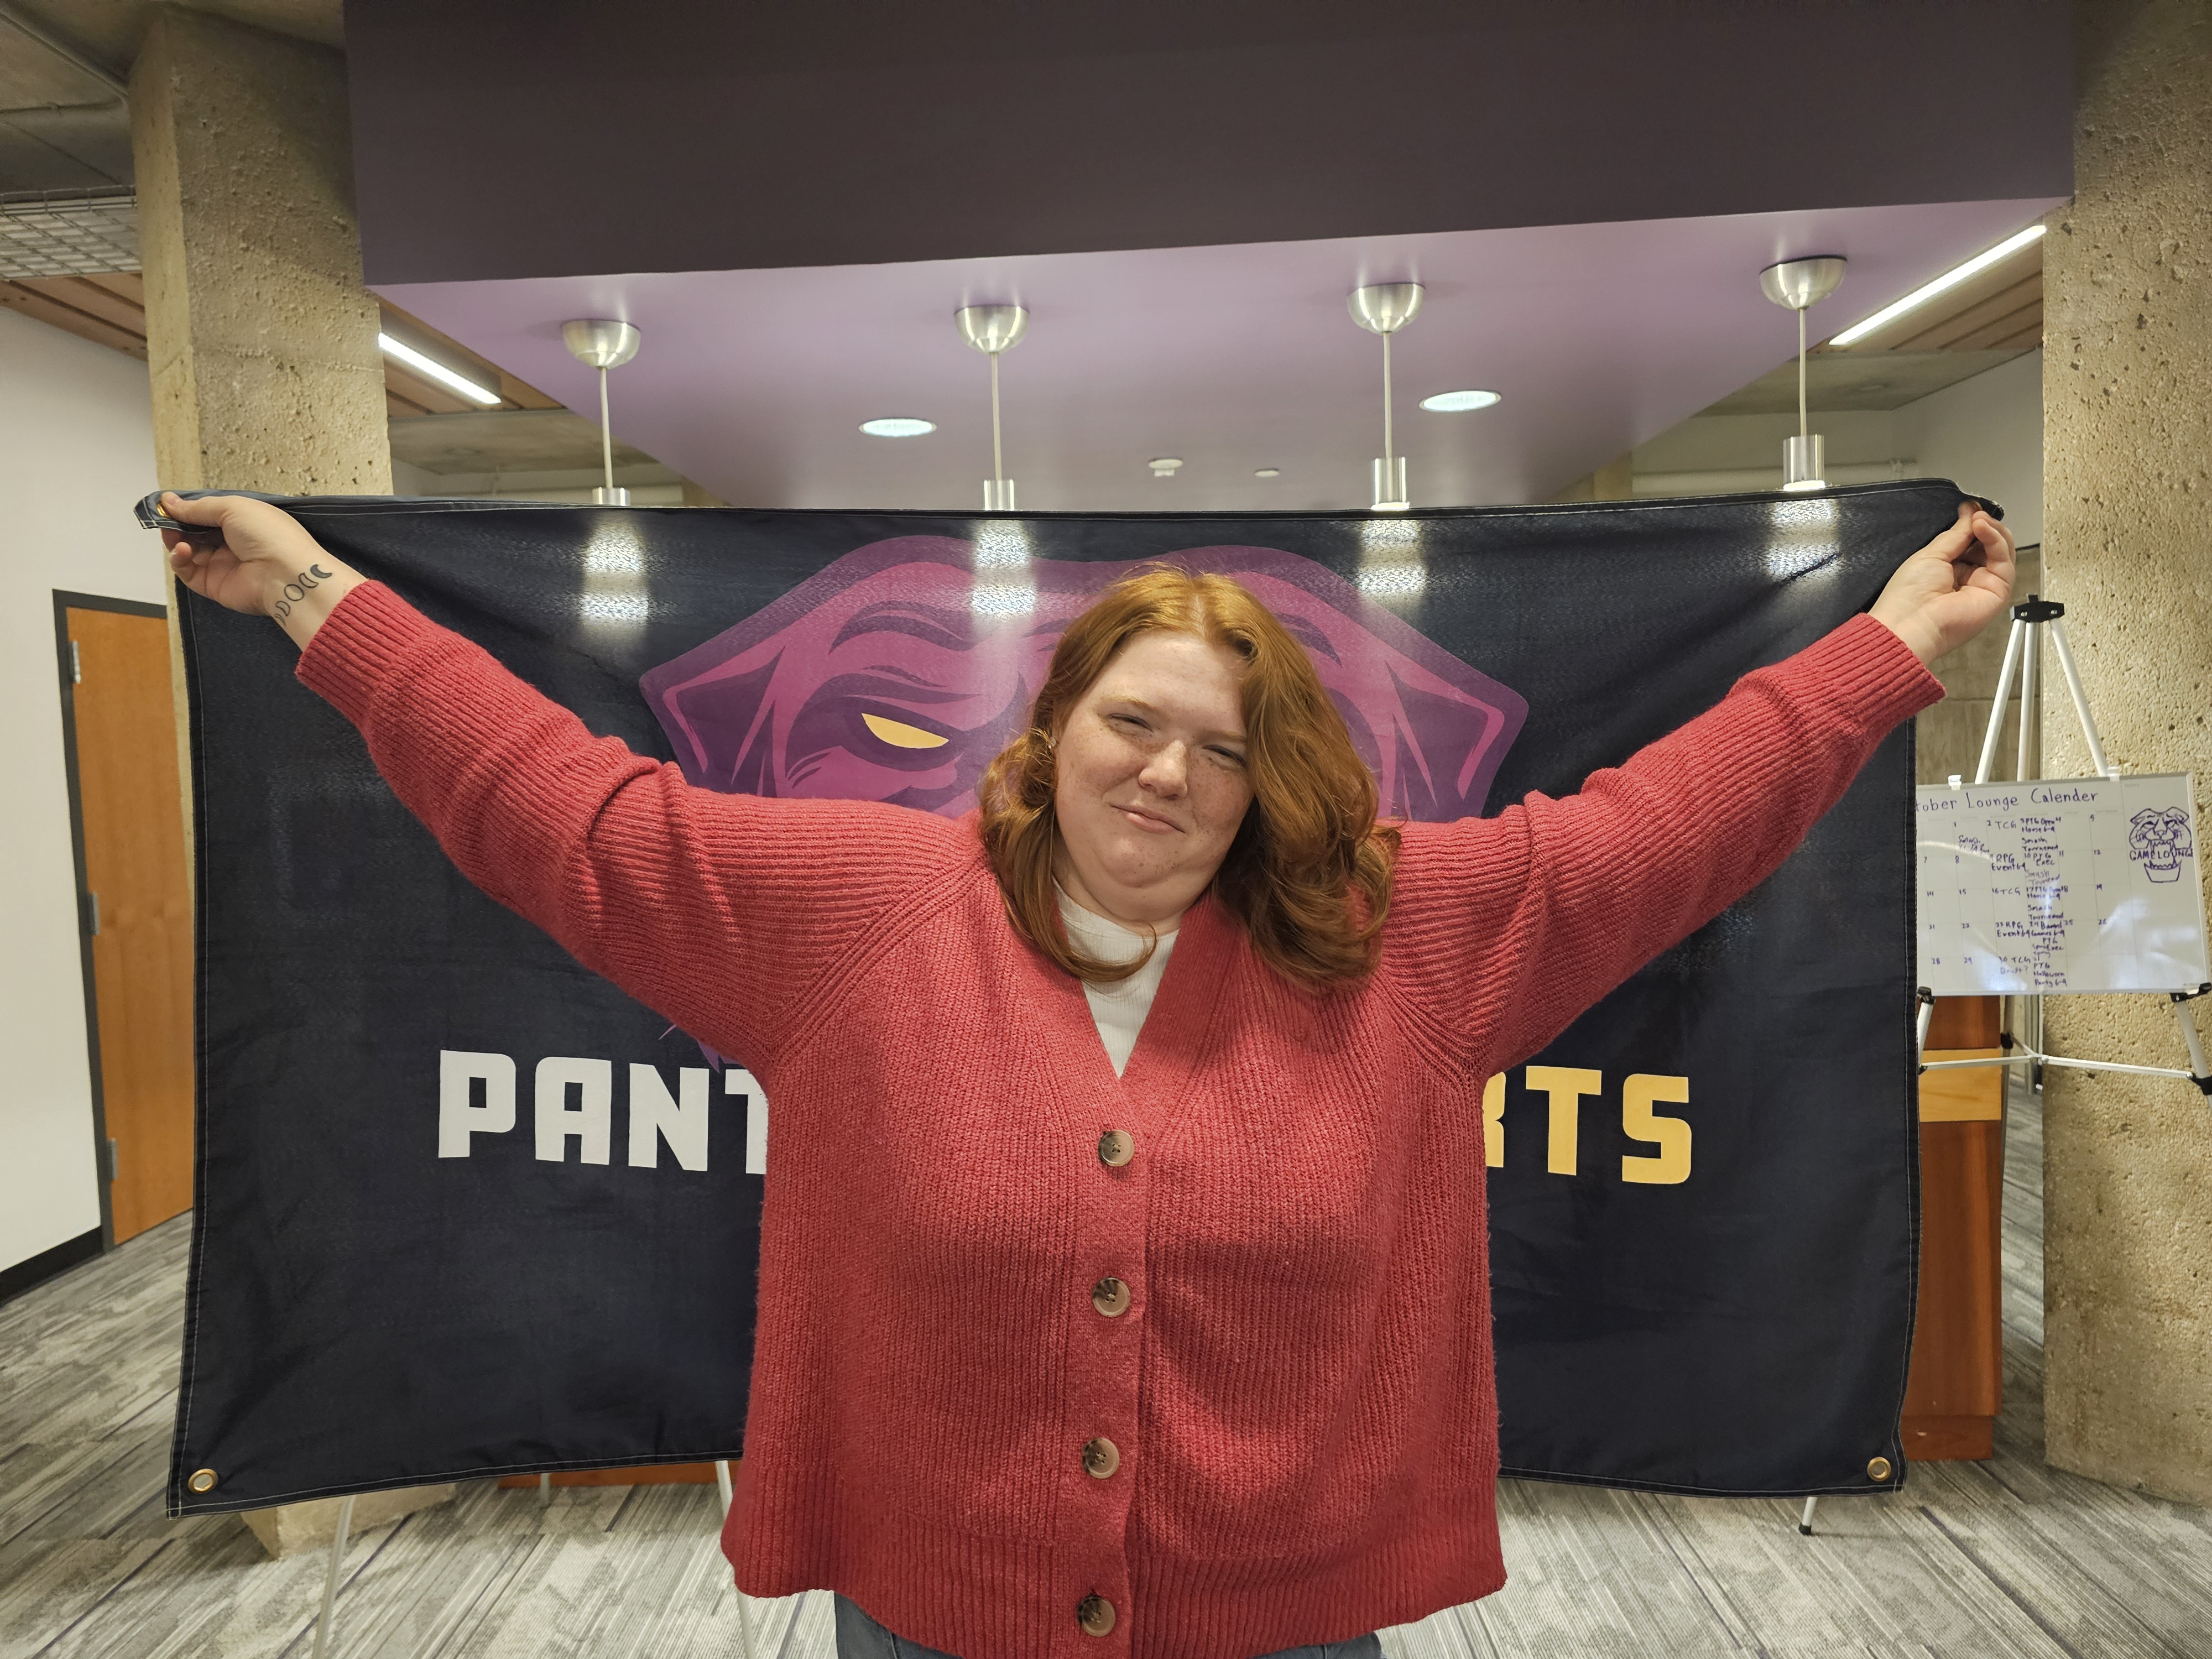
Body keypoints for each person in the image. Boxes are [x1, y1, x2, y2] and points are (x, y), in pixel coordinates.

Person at [160, 491, 2012, 1659]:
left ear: (1270, 779)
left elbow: (1658, 832)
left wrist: (1890, 652)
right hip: (938, 1614)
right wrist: (319, 592)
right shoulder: (862, 912)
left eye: (1224, 749)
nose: (1169, 777)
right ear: (1053, 734)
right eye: (1134, 722)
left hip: (1284, 1624)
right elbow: (568, 814)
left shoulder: (1400, 932)